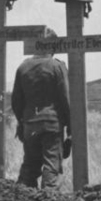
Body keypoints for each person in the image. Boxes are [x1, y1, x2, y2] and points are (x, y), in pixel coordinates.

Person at [11, 29, 71, 189]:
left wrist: (22, 121)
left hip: (30, 125)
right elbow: (66, 99)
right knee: (51, 167)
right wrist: (71, 129)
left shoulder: (23, 67)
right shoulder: (57, 66)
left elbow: (16, 101)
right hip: (52, 125)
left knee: (29, 166)